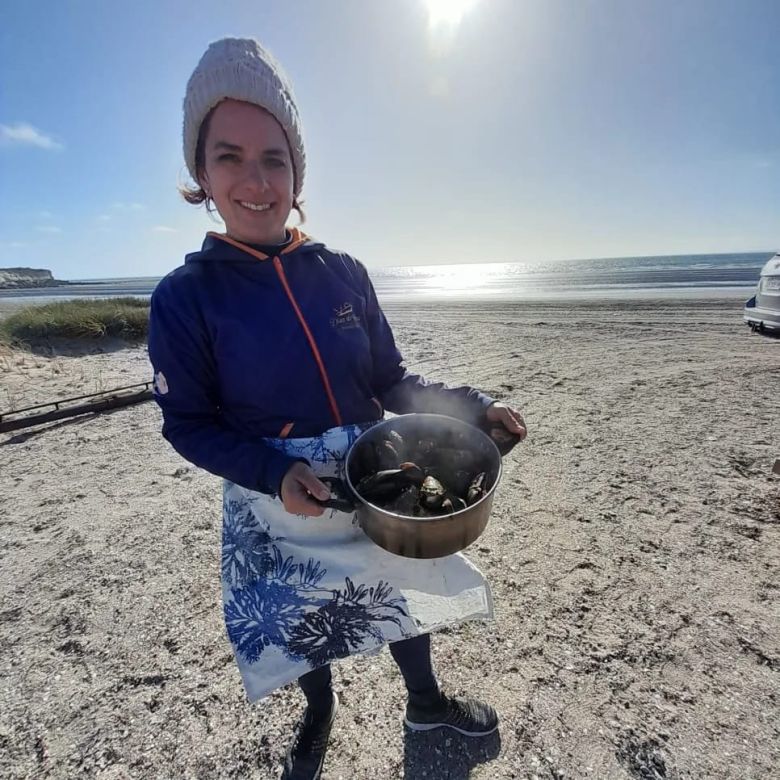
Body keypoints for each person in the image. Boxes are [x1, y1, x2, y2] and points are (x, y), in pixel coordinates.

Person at [148, 37, 527, 780]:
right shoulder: (184, 298)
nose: (256, 182)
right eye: (230, 157)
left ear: (298, 171)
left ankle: (425, 702)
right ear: (200, 171)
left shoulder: (343, 273)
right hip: (273, 493)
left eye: (274, 159)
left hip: (373, 476)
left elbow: (392, 380)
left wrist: (476, 406)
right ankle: (317, 709)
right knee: (299, 625)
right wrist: (271, 469)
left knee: (401, 592)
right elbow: (187, 424)